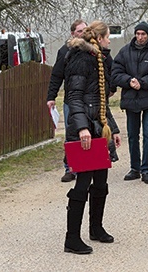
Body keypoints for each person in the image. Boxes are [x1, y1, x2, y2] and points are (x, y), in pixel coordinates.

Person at [63, 20, 122, 254]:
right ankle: (71, 239)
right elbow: (74, 97)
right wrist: (81, 128)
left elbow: (101, 101)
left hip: (99, 129)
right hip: (84, 131)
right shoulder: (80, 59)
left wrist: (113, 129)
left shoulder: (101, 60)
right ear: (99, 39)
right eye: (108, 37)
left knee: (101, 182)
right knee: (82, 183)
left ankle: (96, 228)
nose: (110, 40)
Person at [112, 21, 148, 184]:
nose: (140, 37)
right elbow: (115, 72)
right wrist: (129, 81)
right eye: (138, 34)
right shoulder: (124, 52)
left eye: (143, 34)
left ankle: (146, 169)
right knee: (133, 135)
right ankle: (134, 168)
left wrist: (142, 82)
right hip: (131, 99)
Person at [47, 20, 87, 183]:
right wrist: (51, 97)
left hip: (89, 99)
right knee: (71, 134)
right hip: (71, 99)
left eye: (85, 30)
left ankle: (87, 166)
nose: (83, 33)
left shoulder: (92, 50)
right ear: (72, 34)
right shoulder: (65, 51)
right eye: (79, 31)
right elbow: (57, 75)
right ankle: (70, 168)